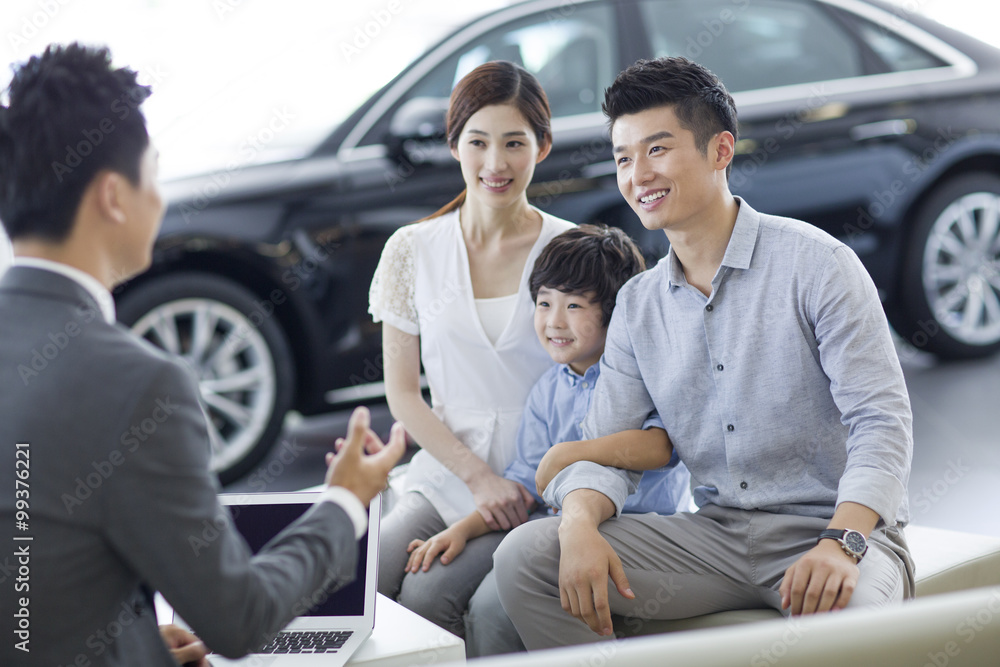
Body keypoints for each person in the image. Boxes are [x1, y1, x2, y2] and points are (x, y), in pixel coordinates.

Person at [0, 43, 404, 667]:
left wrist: (125, 638)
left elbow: (37, 580)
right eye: (153, 176)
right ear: (113, 196)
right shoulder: (137, 386)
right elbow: (239, 619)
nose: (158, 202)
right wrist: (345, 500)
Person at [491, 56, 915, 650]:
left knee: (853, 636)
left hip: (834, 528)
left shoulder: (817, 265)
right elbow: (611, 443)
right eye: (622, 157)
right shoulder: (637, 305)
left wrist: (841, 542)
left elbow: (882, 421)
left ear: (721, 151)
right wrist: (580, 520)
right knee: (526, 557)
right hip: (715, 536)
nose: (637, 175)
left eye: (657, 150)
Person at [402, 225, 691, 648]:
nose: (554, 321)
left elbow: (662, 448)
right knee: (439, 589)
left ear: (614, 313)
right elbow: (524, 485)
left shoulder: (639, 372)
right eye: (543, 303)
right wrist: (462, 530)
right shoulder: (547, 390)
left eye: (573, 306)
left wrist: (571, 453)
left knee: (490, 609)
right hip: (557, 528)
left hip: (637, 528)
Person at [367, 60, 575, 637]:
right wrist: (476, 478)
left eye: (515, 143)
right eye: (478, 142)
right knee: (363, 577)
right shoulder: (412, 250)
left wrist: (514, 486)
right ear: (454, 144)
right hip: (445, 472)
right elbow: (404, 394)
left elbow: (596, 387)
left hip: (535, 484)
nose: (495, 163)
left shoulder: (571, 252)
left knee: (430, 594)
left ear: (543, 145)